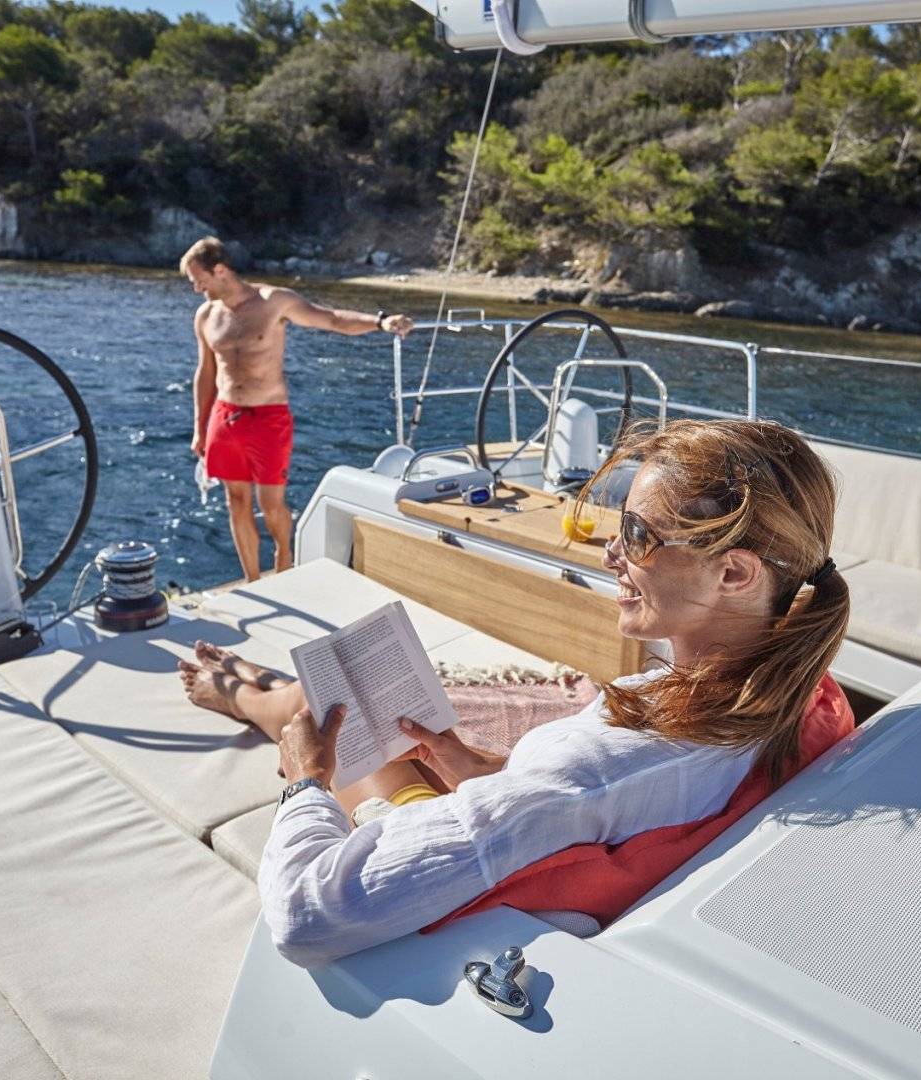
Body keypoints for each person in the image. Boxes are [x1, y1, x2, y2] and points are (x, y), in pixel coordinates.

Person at [178, 418, 852, 966]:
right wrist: (487, 770)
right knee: (364, 723)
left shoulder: (596, 771)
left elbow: (305, 914)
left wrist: (304, 785)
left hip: (463, 917)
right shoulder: (795, 698)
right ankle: (263, 691)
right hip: (545, 834)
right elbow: (582, 807)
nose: (610, 554)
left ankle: (247, 697)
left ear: (734, 574)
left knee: (329, 719)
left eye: (638, 535)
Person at [180, 236, 415, 582]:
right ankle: (252, 580)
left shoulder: (273, 302)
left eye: (198, 279)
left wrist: (379, 322)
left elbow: (332, 319)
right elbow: (206, 373)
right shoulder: (206, 315)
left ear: (220, 270)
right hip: (225, 417)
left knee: (271, 504)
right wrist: (200, 427)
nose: (196, 288)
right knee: (236, 501)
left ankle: (283, 554)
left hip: (268, 417)